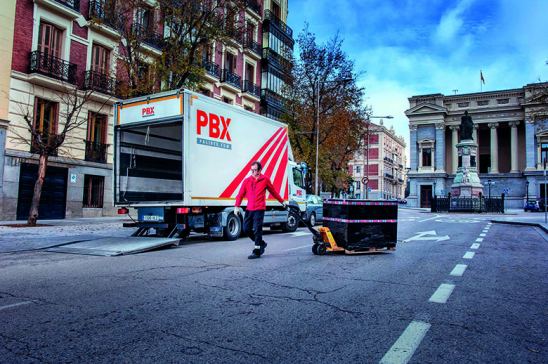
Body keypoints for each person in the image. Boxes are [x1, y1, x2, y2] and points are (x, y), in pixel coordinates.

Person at [234, 161, 286, 259]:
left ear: (260, 170)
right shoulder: (247, 181)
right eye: (252, 170)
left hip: (259, 208)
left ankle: (257, 250)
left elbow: (273, 191)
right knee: (246, 229)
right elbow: (240, 194)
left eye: (255, 170)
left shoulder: (265, 179)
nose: (253, 172)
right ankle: (261, 243)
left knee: (257, 229)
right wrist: (236, 206)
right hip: (249, 209)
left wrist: (282, 201)